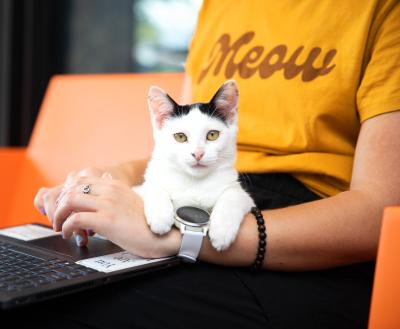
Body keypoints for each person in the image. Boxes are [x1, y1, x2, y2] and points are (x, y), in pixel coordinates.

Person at [4, 0, 400, 328]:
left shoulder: (383, 10)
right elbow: (185, 144)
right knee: (23, 282)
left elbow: (382, 211)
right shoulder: (218, 8)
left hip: (307, 241)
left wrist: (179, 238)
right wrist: (112, 180)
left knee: (63, 308)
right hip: (202, 201)